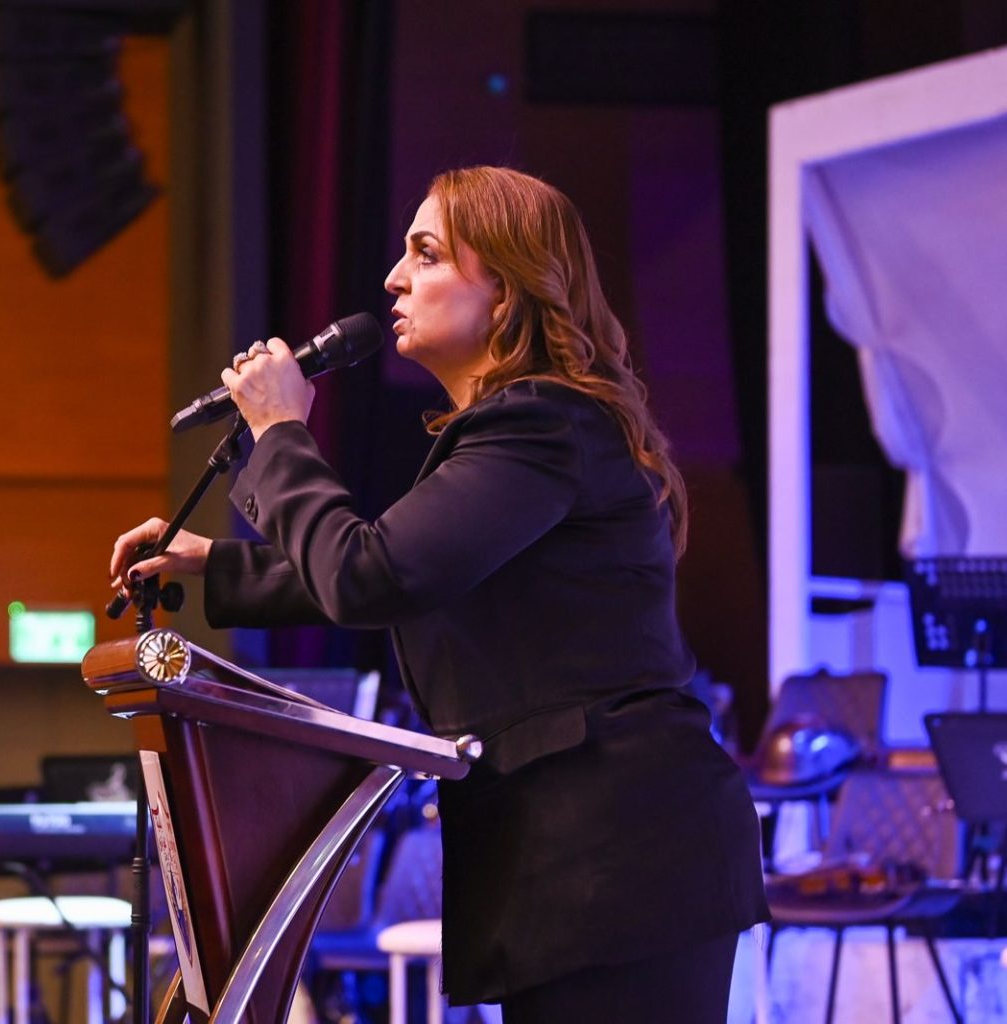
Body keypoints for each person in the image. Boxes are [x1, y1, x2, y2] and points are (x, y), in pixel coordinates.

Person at [108, 166, 768, 1023]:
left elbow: (372, 575)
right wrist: (213, 563)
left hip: (621, 853)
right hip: (586, 857)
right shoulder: (527, 430)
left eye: (425, 254)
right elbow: (403, 569)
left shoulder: (541, 422)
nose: (393, 279)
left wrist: (280, 431)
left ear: (507, 291)